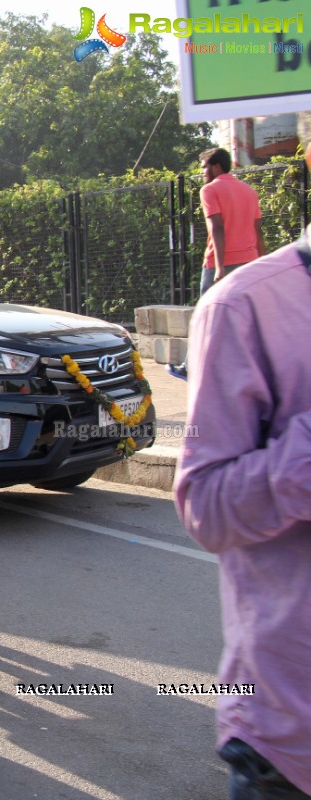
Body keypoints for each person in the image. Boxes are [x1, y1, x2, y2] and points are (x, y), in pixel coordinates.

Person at [173, 145, 311, 800]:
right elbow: (204, 501)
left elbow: (218, 237)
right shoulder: (244, 310)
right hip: (291, 740)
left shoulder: (217, 192)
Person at [171, 148, 267, 380]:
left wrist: (221, 267)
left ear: (216, 167)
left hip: (219, 263)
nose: (202, 172)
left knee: (206, 314)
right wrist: (263, 264)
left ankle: (190, 367)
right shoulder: (249, 191)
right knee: (246, 317)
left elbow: (217, 227)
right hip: (250, 262)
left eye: (204, 166)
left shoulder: (209, 190)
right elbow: (257, 231)